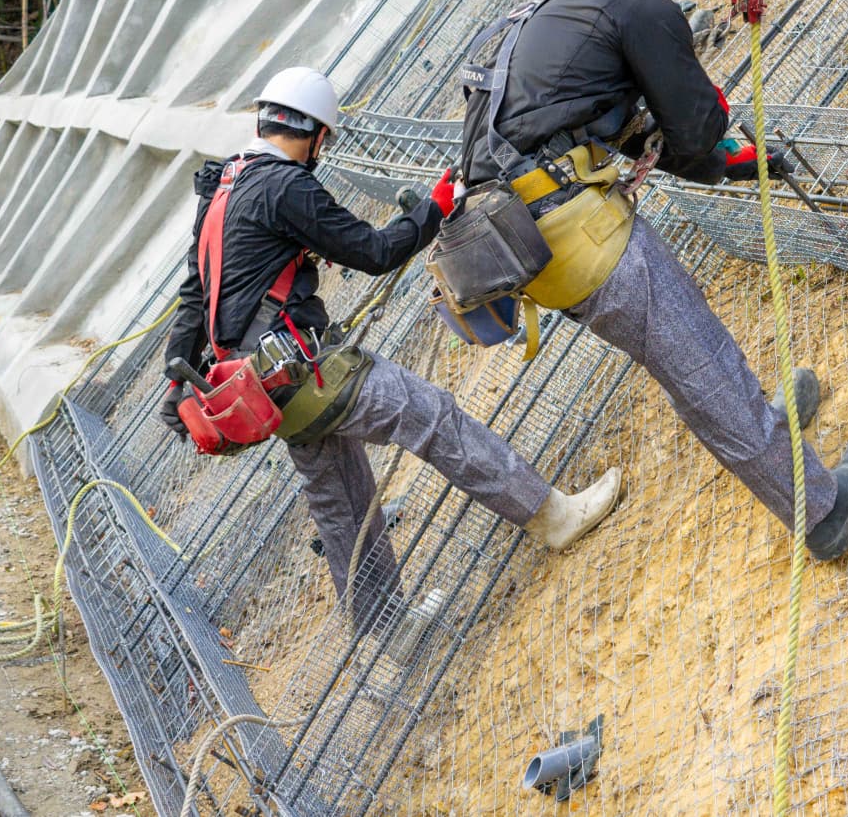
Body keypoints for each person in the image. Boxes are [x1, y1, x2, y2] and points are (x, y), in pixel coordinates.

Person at [447, 0, 848, 561]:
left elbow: (629, 132)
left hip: (529, 246)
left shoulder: (542, 13)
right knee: (705, 369)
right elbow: (695, 124)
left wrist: (735, 162)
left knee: (694, 361)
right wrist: (723, 147)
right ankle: (824, 511)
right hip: (583, 238)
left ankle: (769, 432)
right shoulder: (636, 2)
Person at [159, 66, 622, 647]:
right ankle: (553, 517)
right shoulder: (286, 185)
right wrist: (433, 207)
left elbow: (195, 295)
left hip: (257, 385)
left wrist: (175, 383)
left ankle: (388, 632)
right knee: (431, 417)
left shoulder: (225, 184)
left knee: (342, 506)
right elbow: (375, 251)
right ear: (316, 135)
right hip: (306, 373)